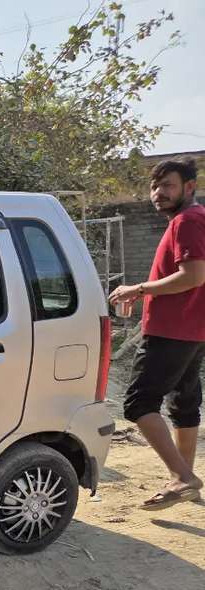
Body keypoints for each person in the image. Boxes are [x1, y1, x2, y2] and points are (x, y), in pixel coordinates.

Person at [108, 157, 205, 509]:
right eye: (155, 186)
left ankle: (182, 478)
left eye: (168, 186)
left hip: (172, 330)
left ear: (189, 187)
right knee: (184, 403)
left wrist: (139, 289)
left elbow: (193, 276)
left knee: (138, 403)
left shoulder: (187, 221)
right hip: (192, 328)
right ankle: (185, 480)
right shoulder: (194, 219)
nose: (158, 193)